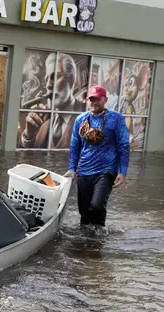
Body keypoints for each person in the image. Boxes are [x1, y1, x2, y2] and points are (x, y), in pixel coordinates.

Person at [64, 85, 130, 227]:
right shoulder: (80, 120)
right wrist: (71, 168)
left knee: (97, 205)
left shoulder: (116, 119)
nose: (94, 102)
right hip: (84, 170)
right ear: (87, 101)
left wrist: (122, 172)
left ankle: (99, 234)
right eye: (91, 99)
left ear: (105, 100)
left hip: (106, 170)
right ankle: (85, 241)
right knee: (84, 211)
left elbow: (124, 146)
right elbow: (75, 146)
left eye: (98, 99)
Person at [19, 52, 86, 149]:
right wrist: (29, 135)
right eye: (46, 80)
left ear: (71, 79)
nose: (48, 85)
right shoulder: (43, 120)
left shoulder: (87, 116)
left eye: (55, 77)